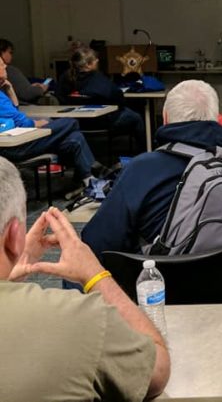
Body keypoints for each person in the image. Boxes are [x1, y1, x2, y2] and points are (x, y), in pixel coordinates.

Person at [0, 159, 170, 401]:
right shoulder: (78, 317)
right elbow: (157, 370)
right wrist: (95, 275)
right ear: (16, 234)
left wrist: (10, 264)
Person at [81, 80, 222, 257]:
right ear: (217, 119)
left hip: (156, 279)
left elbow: (96, 241)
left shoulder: (141, 168)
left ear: (165, 118)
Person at [0, 57, 100, 191]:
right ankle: (89, 181)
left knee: (75, 139)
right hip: (16, 146)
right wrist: (38, 123)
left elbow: (14, 112)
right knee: (71, 123)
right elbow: (23, 122)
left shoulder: (2, 92)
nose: (6, 66)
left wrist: (10, 89)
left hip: (19, 140)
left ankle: (89, 182)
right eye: (1, 64)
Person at [55, 46, 146, 151]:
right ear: (88, 65)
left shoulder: (65, 78)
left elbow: (59, 97)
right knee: (137, 117)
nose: (97, 60)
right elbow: (118, 99)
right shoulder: (99, 80)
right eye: (94, 60)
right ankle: (142, 152)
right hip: (104, 122)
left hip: (77, 122)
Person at [0, 39, 47, 104]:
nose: (11, 56)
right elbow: (27, 94)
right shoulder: (9, 70)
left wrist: (28, 87)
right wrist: (41, 89)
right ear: (1, 52)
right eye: (10, 52)